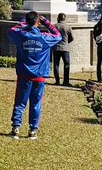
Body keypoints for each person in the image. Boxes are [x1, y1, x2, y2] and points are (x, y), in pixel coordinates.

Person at [8, 11, 63, 140]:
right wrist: (46, 22)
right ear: (38, 22)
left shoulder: (22, 35)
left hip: (24, 74)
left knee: (20, 102)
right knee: (36, 103)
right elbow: (58, 35)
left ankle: (16, 127)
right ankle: (33, 130)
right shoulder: (44, 38)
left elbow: (11, 31)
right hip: (39, 76)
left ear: (26, 21)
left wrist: (24, 23)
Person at [52, 13, 74, 86]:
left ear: (58, 18)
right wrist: (66, 42)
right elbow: (71, 38)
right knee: (66, 65)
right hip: (65, 48)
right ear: (65, 19)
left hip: (56, 48)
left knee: (56, 65)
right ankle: (66, 81)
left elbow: (51, 36)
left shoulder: (54, 26)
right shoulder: (68, 27)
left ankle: (57, 81)